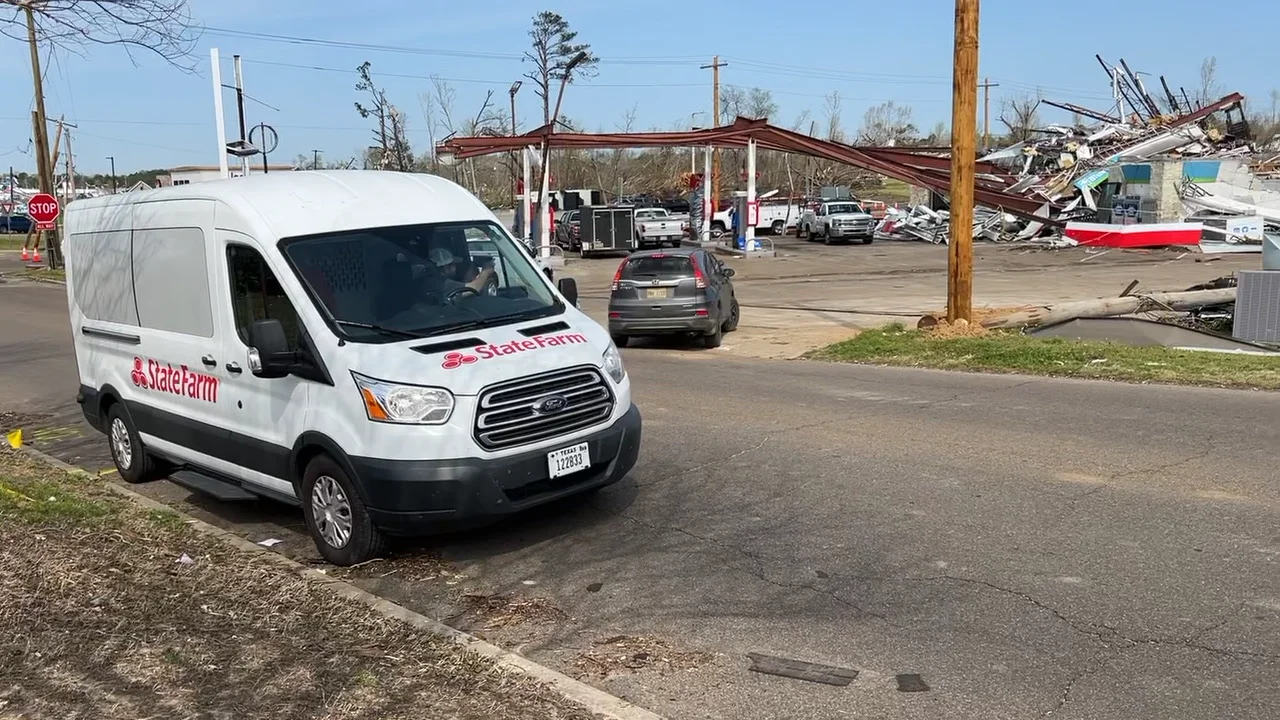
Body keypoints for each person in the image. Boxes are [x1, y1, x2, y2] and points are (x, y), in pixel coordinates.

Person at [425, 246, 495, 298]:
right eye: (453, 264)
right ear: (446, 267)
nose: (455, 267)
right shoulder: (443, 284)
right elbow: (473, 289)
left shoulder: (429, 280)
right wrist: (486, 271)